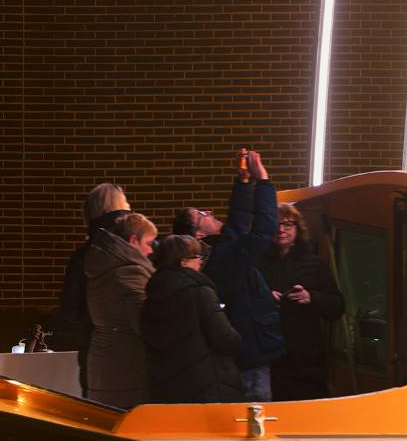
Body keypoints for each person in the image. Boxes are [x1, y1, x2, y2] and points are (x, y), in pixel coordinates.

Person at [173, 148, 284, 402]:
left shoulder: (216, 251)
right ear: (198, 235)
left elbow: (236, 223)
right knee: (254, 410)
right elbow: (264, 231)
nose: (209, 212)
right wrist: (264, 182)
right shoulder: (222, 259)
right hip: (250, 350)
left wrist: (243, 182)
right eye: (202, 215)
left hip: (246, 344)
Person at [140, 235, 244, 403]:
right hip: (206, 383)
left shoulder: (151, 296)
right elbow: (224, 338)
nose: (200, 262)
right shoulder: (199, 292)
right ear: (183, 262)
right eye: (196, 257)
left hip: (166, 385)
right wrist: (238, 339)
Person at [260, 204, 345, 401]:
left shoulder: (314, 263)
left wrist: (311, 297)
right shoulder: (257, 263)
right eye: (276, 224)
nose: (281, 230)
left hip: (305, 356)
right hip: (268, 356)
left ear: (298, 229)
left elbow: (337, 306)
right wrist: (264, 298)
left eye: (288, 224)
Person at [51, 182, 129, 393]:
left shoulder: (82, 257)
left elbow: (70, 310)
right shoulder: (137, 247)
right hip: (131, 346)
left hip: (93, 344)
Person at [82, 211, 156, 409]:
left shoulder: (106, 266)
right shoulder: (129, 272)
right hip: (125, 370)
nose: (150, 251)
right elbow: (146, 324)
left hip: (105, 364)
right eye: (148, 243)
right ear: (133, 240)